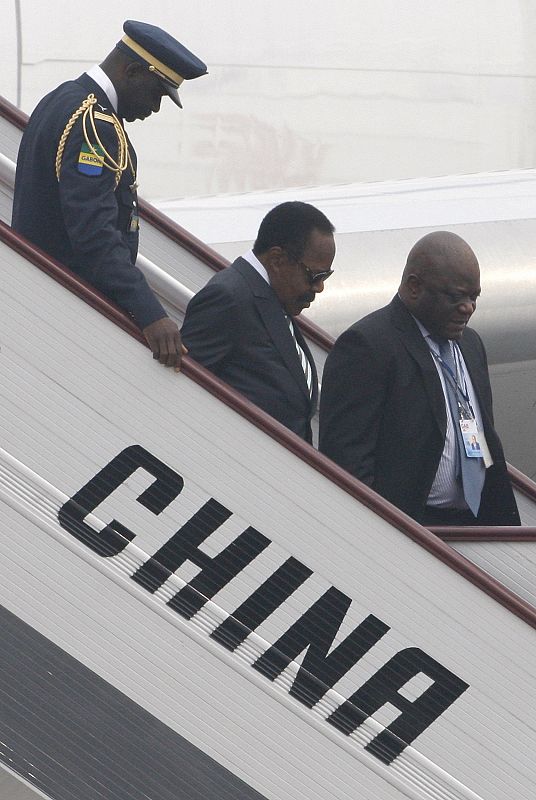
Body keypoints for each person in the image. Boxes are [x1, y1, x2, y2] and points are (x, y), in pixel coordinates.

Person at [12, 20, 207, 371]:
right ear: (132, 71)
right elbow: (94, 233)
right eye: (157, 93)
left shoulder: (62, 98)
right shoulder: (96, 124)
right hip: (69, 306)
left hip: (46, 296)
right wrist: (150, 313)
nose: (155, 108)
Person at [319, 231, 520, 527]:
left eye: (473, 297)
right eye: (455, 296)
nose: (468, 307)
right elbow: (347, 463)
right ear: (414, 287)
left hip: (477, 524)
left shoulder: (471, 344)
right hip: (409, 530)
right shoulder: (368, 345)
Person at [181, 201, 336, 442]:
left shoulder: (273, 300)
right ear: (276, 260)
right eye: (315, 276)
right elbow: (183, 389)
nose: (319, 287)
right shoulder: (229, 298)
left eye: (326, 276)